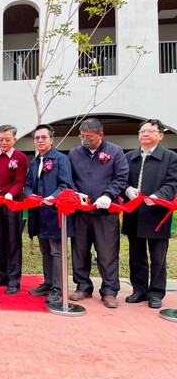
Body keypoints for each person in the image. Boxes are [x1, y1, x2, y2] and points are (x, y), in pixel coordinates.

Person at [68, 118, 128, 308]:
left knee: (107, 253)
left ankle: (109, 290)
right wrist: (75, 192)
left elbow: (121, 177)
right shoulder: (74, 153)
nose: (85, 140)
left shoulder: (115, 152)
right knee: (80, 250)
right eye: (82, 136)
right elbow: (69, 178)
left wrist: (109, 195)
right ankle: (83, 286)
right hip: (81, 212)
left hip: (105, 213)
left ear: (101, 135)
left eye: (89, 137)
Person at [122, 119, 177, 309]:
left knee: (158, 257)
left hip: (157, 213)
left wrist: (158, 196)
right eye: (142, 131)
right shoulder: (129, 156)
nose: (145, 134)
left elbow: (173, 183)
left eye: (150, 131)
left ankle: (156, 292)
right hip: (134, 212)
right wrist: (127, 190)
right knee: (136, 255)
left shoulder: (171, 157)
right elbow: (121, 180)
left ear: (160, 135)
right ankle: (139, 290)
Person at [25, 124, 74, 304]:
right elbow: (28, 184)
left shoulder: (61, 159)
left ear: (51, 140)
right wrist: (31, 196)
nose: (40, 141)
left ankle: (58, 288)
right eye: (37, 138)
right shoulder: (35, 161)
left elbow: (65, 185)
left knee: (57, 252)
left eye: (43, 137)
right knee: (45, 250)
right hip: (38, 213)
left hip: (55, 214)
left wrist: (51, 198)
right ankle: (47, 283)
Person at [0, 125, 28, 294]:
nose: (3, 142)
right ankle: (2, 276)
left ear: (14, 140)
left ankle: (14, 280)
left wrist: (10, 194)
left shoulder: (20, 158)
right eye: (0, 139)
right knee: (0, 240)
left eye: (7, 139)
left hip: (13, 204)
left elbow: (19, 181)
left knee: (13, 241)